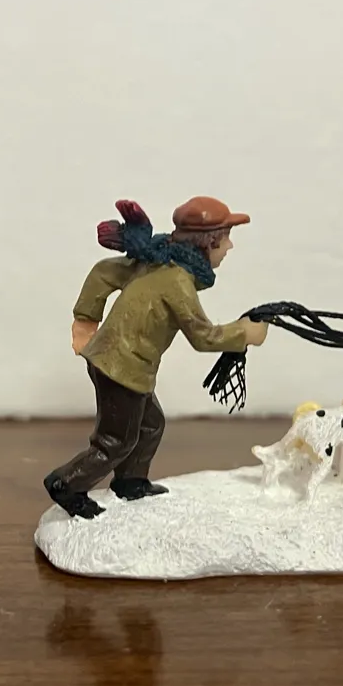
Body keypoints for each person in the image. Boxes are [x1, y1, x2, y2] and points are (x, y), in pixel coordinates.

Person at [43, 197, 267, 518]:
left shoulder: (159, 260)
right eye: (226, 237)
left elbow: (104, 272)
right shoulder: (177, 280)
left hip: (126, 365)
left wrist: (86, 318)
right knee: (115, 442)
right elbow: (203, 337)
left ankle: (131, 482)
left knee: (150, 425)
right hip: (120, 367)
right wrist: (245, 333)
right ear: (209, 242)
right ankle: (65, 484)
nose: (229, 247)